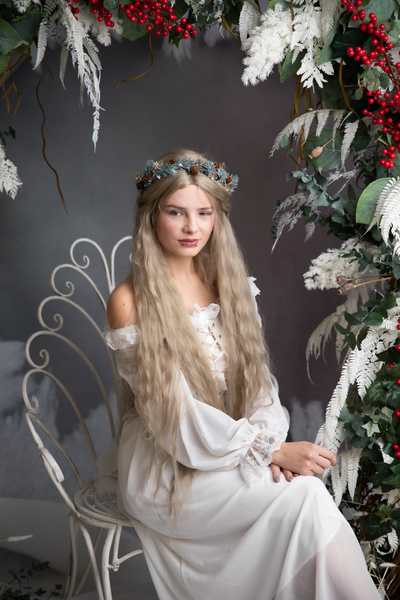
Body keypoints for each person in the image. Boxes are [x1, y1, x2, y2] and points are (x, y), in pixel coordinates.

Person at [104, 149, 380, 599]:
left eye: (204, 213)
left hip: (228, 447)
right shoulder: (130, 302)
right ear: (152, 216)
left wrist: (267, 444)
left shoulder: (227, 283)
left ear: (217, 218)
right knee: (307, 495)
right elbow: (178, 421)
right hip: (167, 466)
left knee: (305, 498)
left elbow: (258, 389)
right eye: (176, 213)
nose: (193, 228)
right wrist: (270, 450)